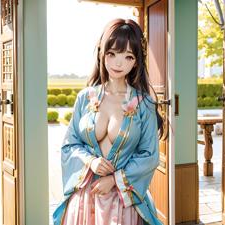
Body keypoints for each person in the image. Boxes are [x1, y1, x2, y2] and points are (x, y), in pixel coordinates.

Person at [53, 18, 166, 225]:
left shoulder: (144, 104)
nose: (118, 63)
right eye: (112, 53)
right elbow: (70, 145)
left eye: (128, 56)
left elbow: (149, 156)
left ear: (136, 61)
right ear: (101, 53)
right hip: (85, 199)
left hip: (123, 202)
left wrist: (114, 180)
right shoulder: (85, 97)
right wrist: (91, 161)